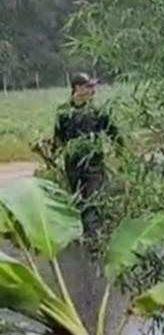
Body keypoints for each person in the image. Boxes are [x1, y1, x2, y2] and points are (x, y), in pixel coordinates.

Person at [51, 73, 121, 242]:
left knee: (93, 199)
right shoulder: (63, 112)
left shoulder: (98, 111)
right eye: (89, 86)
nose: (93, 90)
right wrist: (53, 154)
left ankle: (93, 239)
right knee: (78, 200)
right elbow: (58, 137)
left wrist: (122, 153)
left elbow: (114, 134)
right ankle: (83, 236)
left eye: (93, 86)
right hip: (73, 166)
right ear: (78, 89)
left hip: (94, 165)